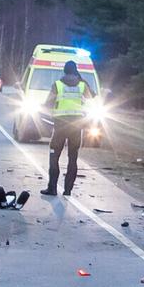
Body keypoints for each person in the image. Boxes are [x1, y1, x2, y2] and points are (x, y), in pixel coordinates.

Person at [41, 59, 97, 196]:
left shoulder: (57, 85)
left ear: (64, 71)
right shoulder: (82, 86)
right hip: (76, 128)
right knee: (73, 158)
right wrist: (81, 79)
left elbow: (48, 104)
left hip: (60, 126)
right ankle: (68, 190)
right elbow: (93, 95)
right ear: (75, 71)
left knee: (54, 157)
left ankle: (52, 188)